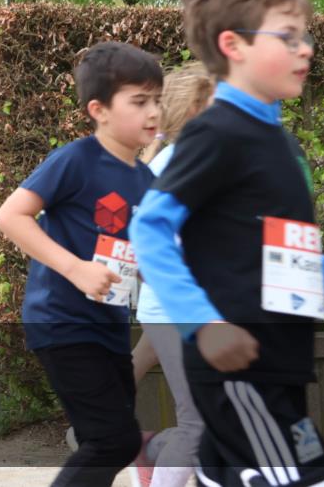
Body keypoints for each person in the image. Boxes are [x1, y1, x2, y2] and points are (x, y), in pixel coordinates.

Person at [132, 0, 324, 487]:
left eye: (305, 35)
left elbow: (290, 256)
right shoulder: (219, 132)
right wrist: (202, 324)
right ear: (233, 46)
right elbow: (149, 228)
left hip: (276, 369)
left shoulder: (275, 143)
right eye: (287, 36)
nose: (305, 49)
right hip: (240, 374)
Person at [0, 41, 163, 487]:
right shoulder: (75, 159)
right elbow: (10, 216)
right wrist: (76, 269)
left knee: (102, 442)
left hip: (109, 327)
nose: (153, 112)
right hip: (62, 321)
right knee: (115, 441)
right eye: (139, 101)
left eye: (157, 100)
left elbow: (144, 255)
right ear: (99, 110)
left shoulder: (147, 180)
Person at [131, 62, 214, 487]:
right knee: (199, 423)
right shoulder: (173, 167)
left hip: (193, 310)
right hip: (175, 311)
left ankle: (150, 450)